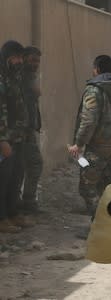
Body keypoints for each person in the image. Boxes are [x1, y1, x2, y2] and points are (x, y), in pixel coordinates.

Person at [68, 55, 111, 216]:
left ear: (96, 69)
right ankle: (109, 227)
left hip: (97, 149)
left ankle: (97, 225)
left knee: (88, 187)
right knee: (110, 187)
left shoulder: (94, 89)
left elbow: (88, 120)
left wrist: (79, 144)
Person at [0, 40, 34, 233]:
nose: (19, 61)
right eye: (16, 57)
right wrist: (2, 139)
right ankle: (2, 217)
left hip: (18, 137)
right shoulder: (1, 79)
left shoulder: (14, 78)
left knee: (16, 176)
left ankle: (13, 213)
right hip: (5, 139)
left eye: (21, 57)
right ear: (7, 57)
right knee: (3, 179)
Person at [20, 46, 43, 214]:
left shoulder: (29, 77)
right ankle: (26, 202)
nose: (36, 64)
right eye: (33, 60)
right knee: (34, 164)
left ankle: (26, 201)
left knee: (28, 165)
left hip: (28, 130)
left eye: (38, 61)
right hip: (21, 131)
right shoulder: (21, 77)